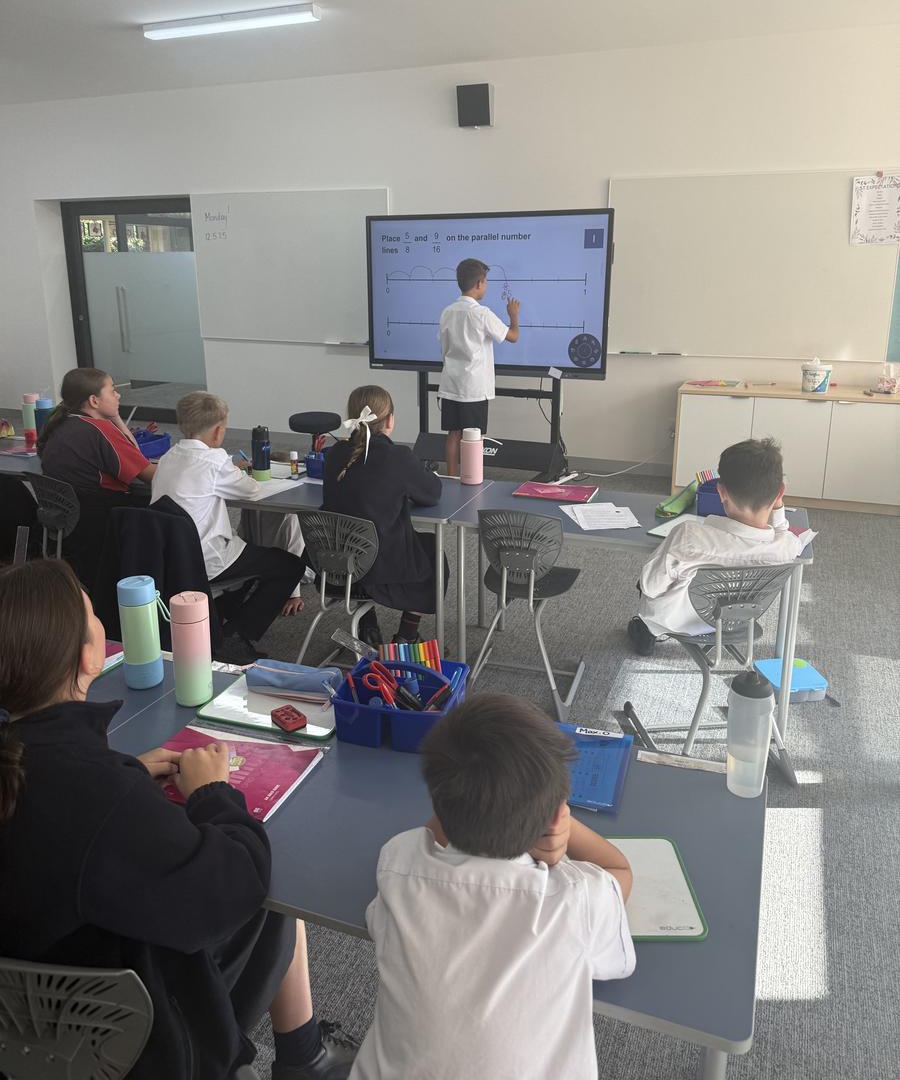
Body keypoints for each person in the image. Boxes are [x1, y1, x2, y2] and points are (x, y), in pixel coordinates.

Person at [0, 559, 358, 1080]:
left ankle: (304, 1054)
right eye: (93, 614)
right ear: (89, 654)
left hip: (28, 1024)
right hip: (134, 1042)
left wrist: (123, 771)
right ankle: (303, 1057)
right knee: (262, 875)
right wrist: (213, 793)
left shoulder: (41, 770)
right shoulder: (103, 797)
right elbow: (235, 883)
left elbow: (65, 818)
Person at [350, 693, 635, 1080]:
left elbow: (434, 830)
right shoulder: (576, 898)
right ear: (557, 813)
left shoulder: (399, 862)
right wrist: (562, 824)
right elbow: (620, 870)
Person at [151, 391, 306, 665]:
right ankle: (235, 637)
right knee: (289, 565)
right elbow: (252, 489)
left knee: (252, 554)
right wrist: (237, 470)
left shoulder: (167, 457)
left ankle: (220, 622)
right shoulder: (215, 461)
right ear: (218, 431)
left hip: (169, 558)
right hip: (206, 558)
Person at [628, 437, 816, 655]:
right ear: (780, 493)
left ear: (721, 491)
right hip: (737, 621)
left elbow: (651, 585)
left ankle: (648, 632)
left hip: (678, 621)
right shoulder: (786, 547)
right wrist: (778, 506)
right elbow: (783, 531)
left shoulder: (689, 536)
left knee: (650, 580)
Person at [322, 385, 445, 646]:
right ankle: (406, 637)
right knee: (434, 552)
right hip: (381, 571)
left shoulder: (334, 454)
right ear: (389, 420)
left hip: (335, 568)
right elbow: (432, 494)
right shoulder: (398, 457)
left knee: (357, 541)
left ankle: (367, 627)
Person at [37, 367, 155, 585]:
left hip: (69, 522)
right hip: (101, 518)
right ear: (94, 400)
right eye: (112, 391)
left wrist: (115, 416)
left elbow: (134, 456)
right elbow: (149, 474)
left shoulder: (60, 424)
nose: (118, 395)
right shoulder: (100, 430)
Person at [438, 258, 520, 477]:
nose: (486, 286)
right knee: (473, 438)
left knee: (453, 434)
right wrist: (513, 316)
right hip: (473, 389)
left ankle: (452, 478)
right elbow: (513, 336)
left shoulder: (447, 312)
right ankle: (471, 480)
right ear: (478, 284)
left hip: (451, 385)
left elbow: (443, 346)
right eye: (486, 282)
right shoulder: (482, 313)